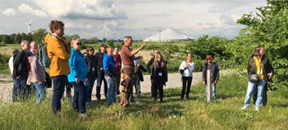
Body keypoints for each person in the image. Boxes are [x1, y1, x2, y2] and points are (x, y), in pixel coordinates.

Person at [46, 20, 71, 116]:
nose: (63, 30)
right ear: (54, 30)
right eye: (61, 28)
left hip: (62, 70)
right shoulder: (54, 41)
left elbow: (67, 54)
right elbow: (64, 56)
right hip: (57, 71)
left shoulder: (60, 40)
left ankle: (58, 113)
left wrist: (66, 45)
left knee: (60, 94)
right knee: (57, 94)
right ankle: (55, 115)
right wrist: (66, 48)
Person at [241, 46, 273, 111]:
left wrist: (271, 72)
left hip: (262, 78)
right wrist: (250, 75)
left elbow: (270, 67)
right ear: (258, 51)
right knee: (249, 92)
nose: (263, 51)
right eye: (262, 50)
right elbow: (248, 69)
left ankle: (257, 106)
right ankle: (246, 105)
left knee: (260, 93)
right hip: (253, 78)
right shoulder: (252, 59)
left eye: (263, 50)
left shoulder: (266, 59)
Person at [120, 36, 145, 108]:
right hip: (127, 69)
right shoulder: (125, 48)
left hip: (129, 69)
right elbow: (131, 54)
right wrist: (140, 48)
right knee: (126, 86)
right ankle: (124, 102)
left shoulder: (127, 48)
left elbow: (129, 56)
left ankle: (125, 102)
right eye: (130, 41)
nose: (132, 42)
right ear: (126, 41)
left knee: (128, 86)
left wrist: (136, 58)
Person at [68, 38, 89, 118]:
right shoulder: (72, 53)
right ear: (72, 44)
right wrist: (75, 75)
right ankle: (82, 111)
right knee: (82, 92)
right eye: (77, 43)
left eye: (80, 43)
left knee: (77, 93)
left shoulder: (79, 53)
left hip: (80, 77)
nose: (79, 45)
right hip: (75, 77)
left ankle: (75, 108)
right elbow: (71, 65)